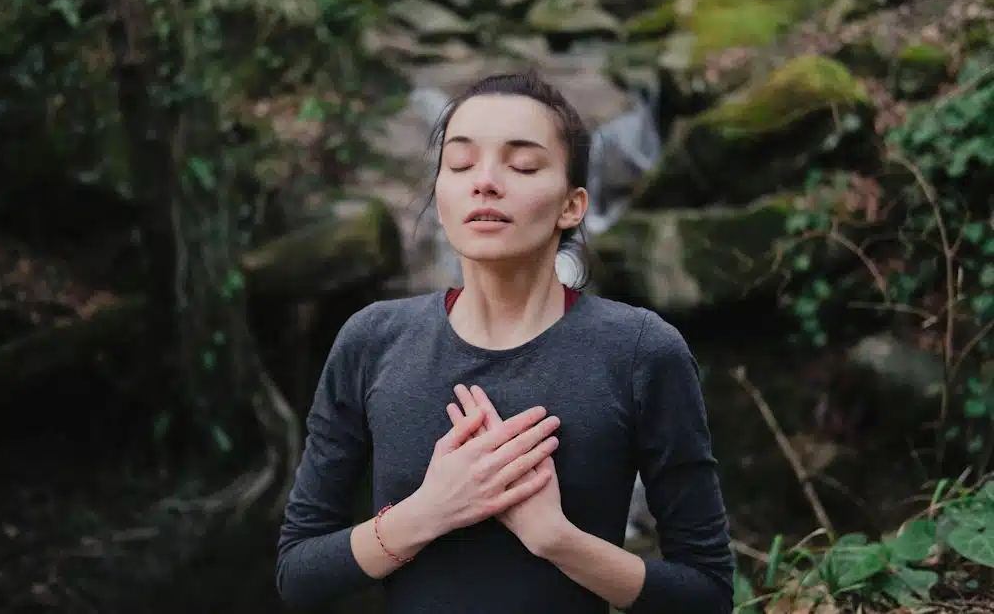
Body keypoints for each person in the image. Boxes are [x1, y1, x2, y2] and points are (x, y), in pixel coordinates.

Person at [275, 71, 734, 614]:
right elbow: (297, 575)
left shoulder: (639, 352)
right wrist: (427, 512)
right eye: (461, 163)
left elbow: (707, 595)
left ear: (572, 205)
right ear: (441, 193)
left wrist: (558, 542)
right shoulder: (372, 340)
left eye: (522, 165)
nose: (485, 182)